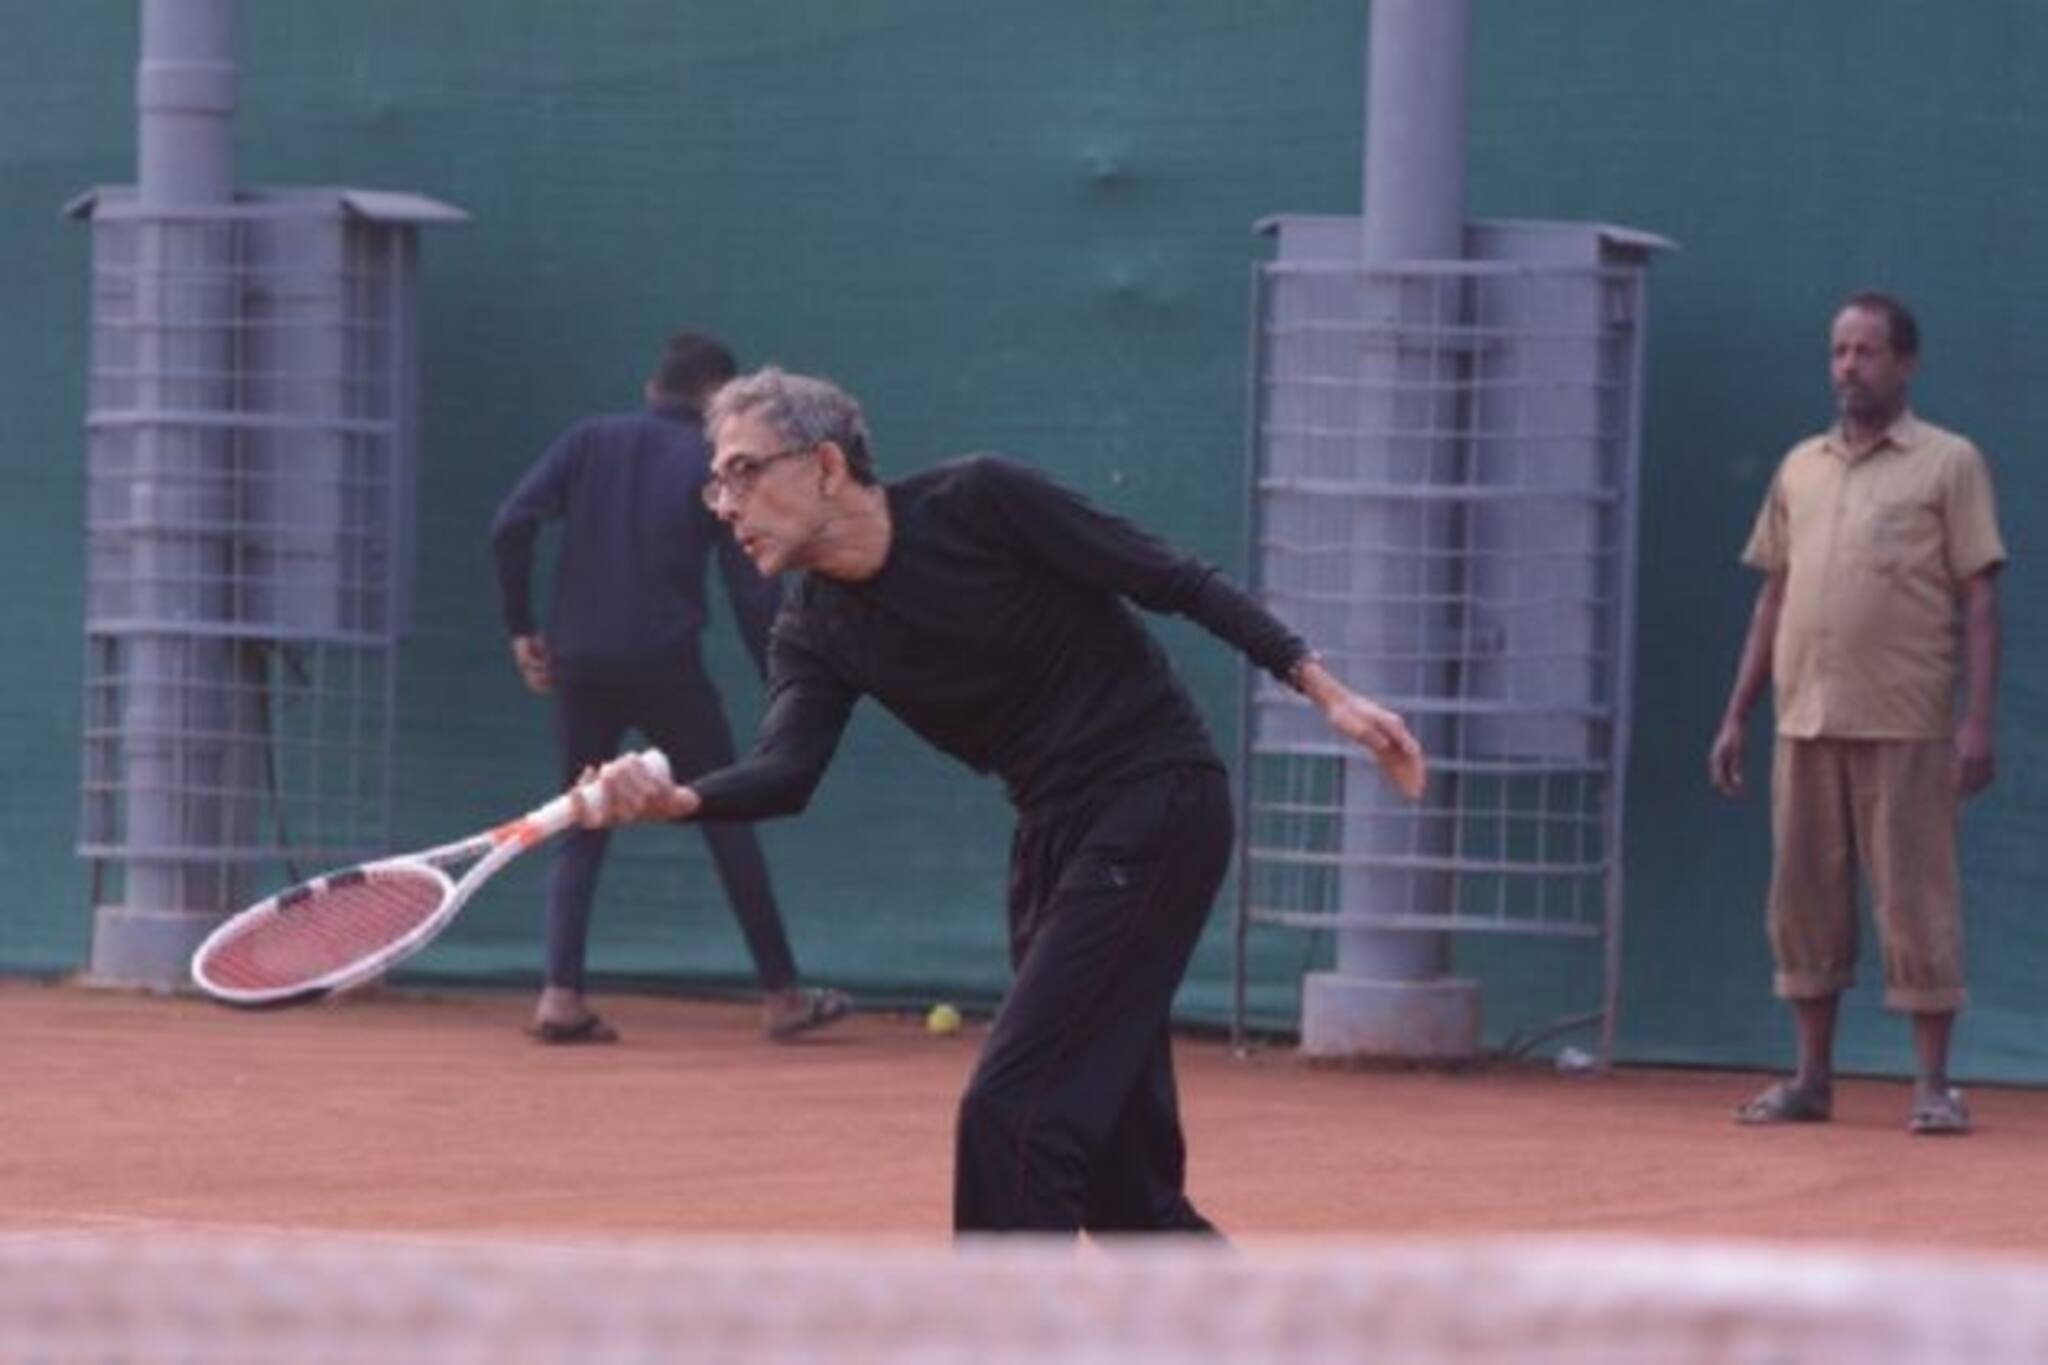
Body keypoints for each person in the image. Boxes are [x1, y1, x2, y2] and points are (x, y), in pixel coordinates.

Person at [574, 366, 1426, 1234]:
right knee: (1120, 1188)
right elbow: (785, 771)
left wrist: (1325, 691)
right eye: (716, 484)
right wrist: (679, 799)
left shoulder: (980, 501)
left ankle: (996, 1313)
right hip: (1054, 841)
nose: (725, 505)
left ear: (826, 465)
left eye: (744, 472)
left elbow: (1172, 577)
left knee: (1012, 1116)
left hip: (1156, 800)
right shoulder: (812, 629)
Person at [489, 335, 851, 1046]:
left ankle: (559, 995)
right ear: (715, 395)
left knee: (581, 817)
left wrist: (521, 628)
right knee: (725, 814)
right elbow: (752, 590)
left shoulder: (588, 440)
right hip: (665, 668)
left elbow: (511, 526)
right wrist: (786, 681)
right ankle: (783, 996)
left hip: (580, 664)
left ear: (655, 386)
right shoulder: (707, 463)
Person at [1708, 291, 2005, 1136]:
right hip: (1805, 718)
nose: (1849, 366)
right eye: (1839, 350)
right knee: (1803, 902)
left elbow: (1980, 597)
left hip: (1906, 722)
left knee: (1917, 901)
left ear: (1905, 363)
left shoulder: (1948, 463)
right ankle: (1811, 1079)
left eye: (1867, 351)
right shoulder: (1801, 467)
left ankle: (1933, 1087)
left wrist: (1977, 722)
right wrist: (1737, 713)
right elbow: (1774, 596)